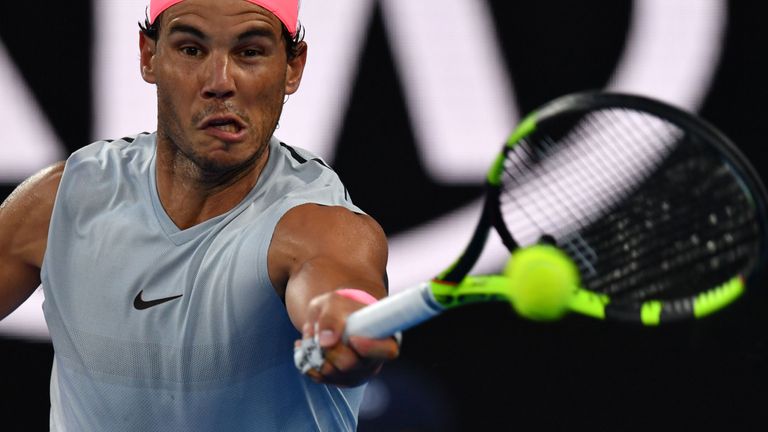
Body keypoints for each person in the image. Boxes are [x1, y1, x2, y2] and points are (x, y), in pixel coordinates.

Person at [0, 0, 399, 430]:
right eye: (191, 49)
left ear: (292, 67)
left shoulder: (320, 226)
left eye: (250, 52)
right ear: (149, 56)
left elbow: (338, 291)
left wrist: (344, 318)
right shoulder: (61, 203)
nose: (219, 81)